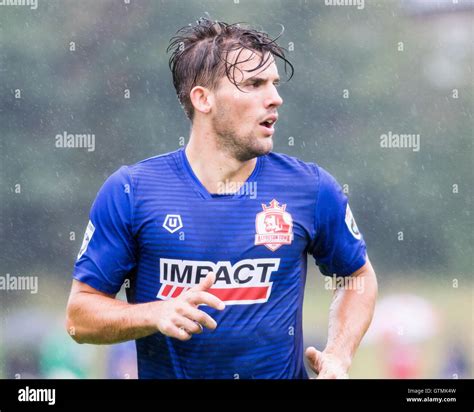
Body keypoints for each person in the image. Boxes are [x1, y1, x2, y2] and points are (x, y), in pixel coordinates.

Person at [65, 18, 378, 379]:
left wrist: (339, 355)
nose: (275, 97)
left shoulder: (310, 189)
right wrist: (154, 313)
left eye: (273, 84)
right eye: (254, 84)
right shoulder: (131, 192)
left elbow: (358, 277)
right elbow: (79, 318)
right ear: (203, 98)